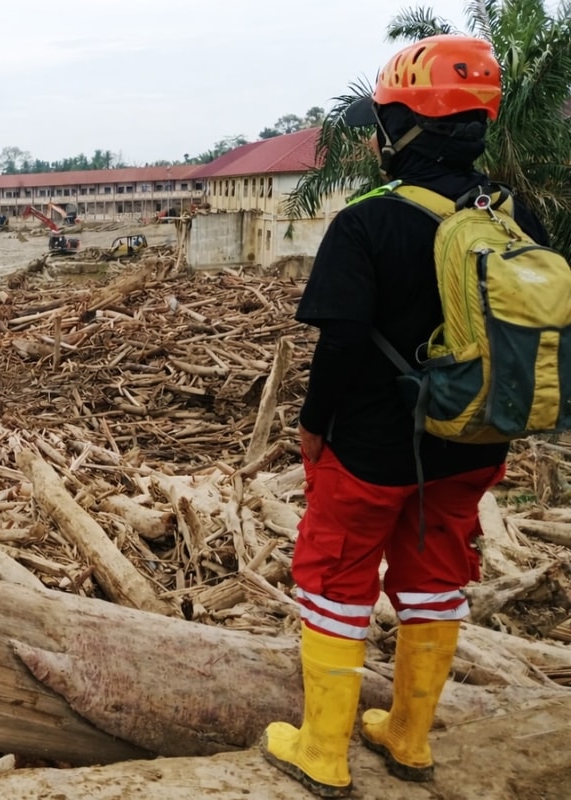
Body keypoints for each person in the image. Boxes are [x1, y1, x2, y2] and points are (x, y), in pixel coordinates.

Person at [260, 34, 553, 798]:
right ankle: (410, 739)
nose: (379, 131)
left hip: (372, 446)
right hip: (475, 444)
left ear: (405, 128)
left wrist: (314, 427)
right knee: (435, 581)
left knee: (334, 577)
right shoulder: (518, 218)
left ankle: (322, 750)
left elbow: (344, 343)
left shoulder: (368, 222)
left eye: (386, 118)